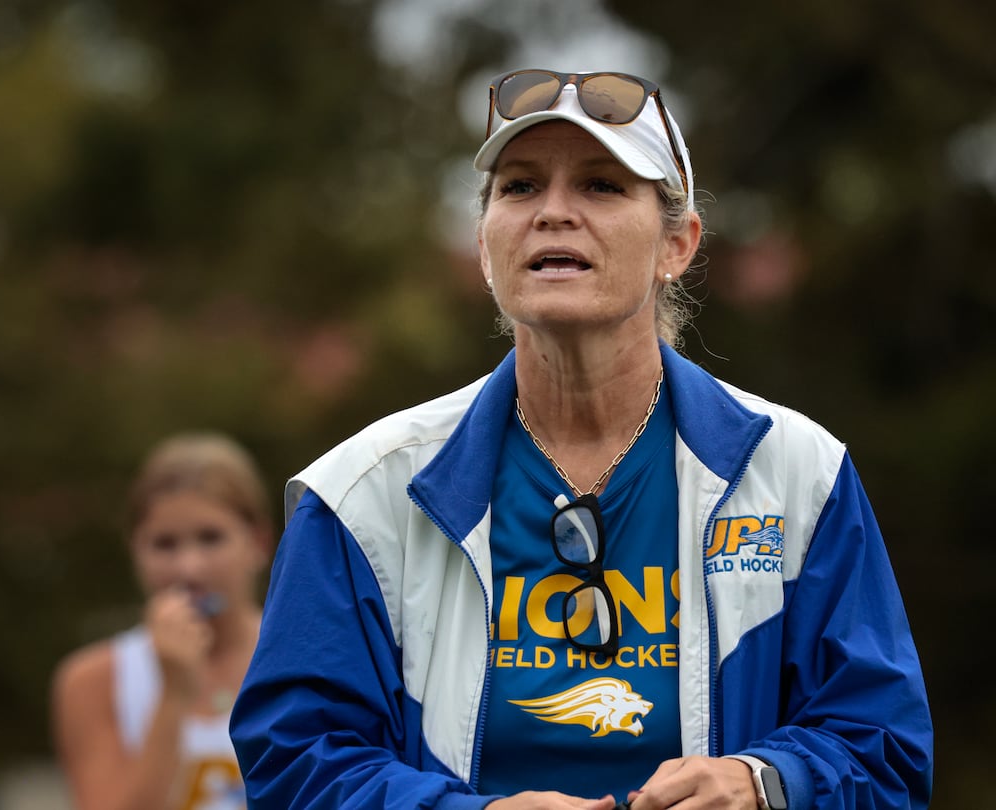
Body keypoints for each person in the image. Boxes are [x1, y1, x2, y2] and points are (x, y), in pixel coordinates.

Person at [230, 69, 933, 810]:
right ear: (483, 240)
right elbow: (293, 763)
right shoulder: (362, 493)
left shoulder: (797, 473)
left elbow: (884, 747)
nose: (553, 213)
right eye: (521, 186)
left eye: (601, 185)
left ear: (679, 245)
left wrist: (764, 784)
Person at [52, 432, 273, 810]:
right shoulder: (95, 679)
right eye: (164, 544)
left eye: (210, 538)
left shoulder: (303, 656)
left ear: (258, 542)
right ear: (134, 549)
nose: (189, 568)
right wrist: (173, 694)